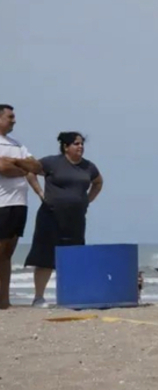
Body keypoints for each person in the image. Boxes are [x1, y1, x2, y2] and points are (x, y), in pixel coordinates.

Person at [12, 132, 103, 307]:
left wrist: (87, 200)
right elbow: (31, 172)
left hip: (76, 218)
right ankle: (39, 297)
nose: (80, 147)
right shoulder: (52, 162)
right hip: (50, 215)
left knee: (73, 256)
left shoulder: (88, 167)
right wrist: (40, 193)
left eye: (82, 144)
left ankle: (72, 295)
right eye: (76, 144)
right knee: (45, 257)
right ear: (65, 147)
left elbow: (98, 183)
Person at [0, 104, 37, 310]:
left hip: (19, 203)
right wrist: (22, 166)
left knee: (7, 254)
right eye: (10, 116)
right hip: (2, 203)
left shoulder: (16, 145)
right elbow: (3, 169)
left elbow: (37, 167)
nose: (14, 120)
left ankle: (4, 301)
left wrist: (15, 162)